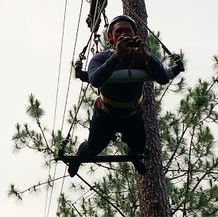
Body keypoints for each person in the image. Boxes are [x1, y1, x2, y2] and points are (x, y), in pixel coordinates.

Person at [68, 15, 170, 177]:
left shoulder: (143, 57)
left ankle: (134, 154)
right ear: (110, 37)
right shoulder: (102, 57)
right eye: (119, 32)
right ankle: (80, 156)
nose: (123, 35)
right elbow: (95, 80)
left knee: (139, 148)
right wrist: (117, 56)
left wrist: (146, 56)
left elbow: (163, 78)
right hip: (106, 114)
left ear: (135, 34)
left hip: (132, 115)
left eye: (127, 31)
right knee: (94, 149)